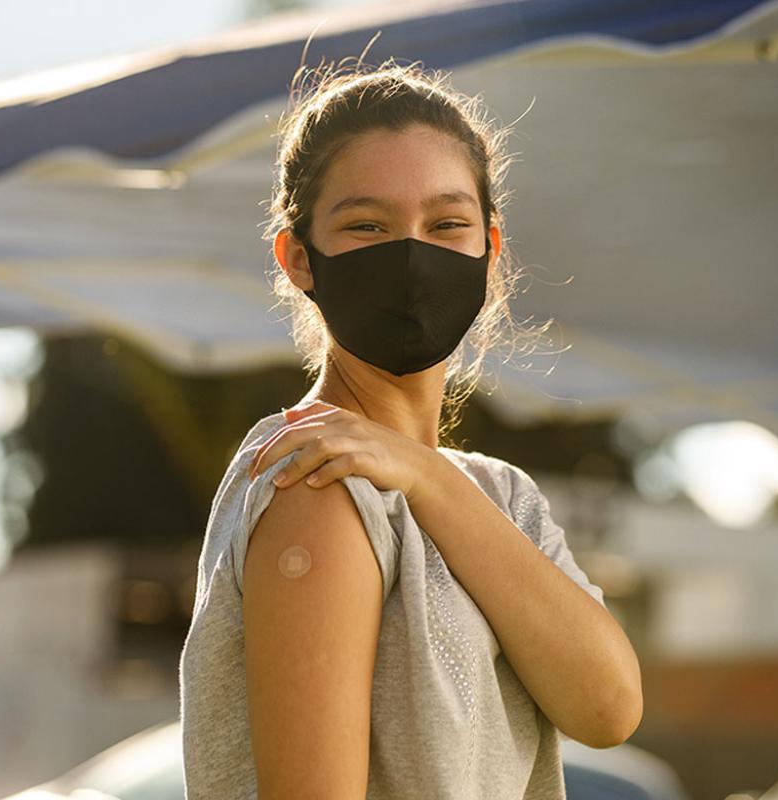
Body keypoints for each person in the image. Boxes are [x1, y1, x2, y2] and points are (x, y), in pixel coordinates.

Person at [178, 56, 642, 800]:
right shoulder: (316, 477)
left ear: (490, 251)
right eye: (367, 225)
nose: (412, 255)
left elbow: (609, 707)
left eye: (446, 223)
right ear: (298, 257)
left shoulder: (502, 496)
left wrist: (428, 475)